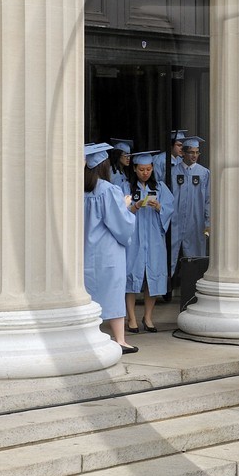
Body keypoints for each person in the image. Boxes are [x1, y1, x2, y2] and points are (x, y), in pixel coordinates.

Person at [77, 143, 136, 357]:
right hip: (107, 250)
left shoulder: (76, 188)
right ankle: (119, 339)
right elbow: (120, 224)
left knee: (88, 292)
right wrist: (126, 205)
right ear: (103, 166)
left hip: (84, 249)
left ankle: (87, 337)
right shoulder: (108, 190)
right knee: (113, 291)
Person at [124, 151, 175, 334]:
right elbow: (121, 211)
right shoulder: (127, 187)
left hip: (154, 238)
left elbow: (170, 208)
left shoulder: (160, 187)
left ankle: (148, 317)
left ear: (152, 168)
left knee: (152, 277)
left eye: (148, 169)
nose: (145, 172)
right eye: (142, 169)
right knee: (131, 275)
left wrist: (159, 207)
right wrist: (135, 206)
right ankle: (131, 318)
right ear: (135, 169)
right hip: (134, 238)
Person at [170, 136, 211, 305]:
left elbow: (208, 199)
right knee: (170, 254)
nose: (194, 156)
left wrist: (208, 222)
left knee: (195, 257)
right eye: (191, 152)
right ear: (184, 154)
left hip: (196, 221)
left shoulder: (203, 173)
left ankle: (194, 293)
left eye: (197, 152)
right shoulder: (173, 171)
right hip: (175, 219)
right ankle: (168, 289)